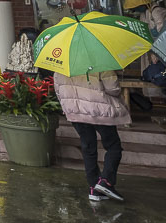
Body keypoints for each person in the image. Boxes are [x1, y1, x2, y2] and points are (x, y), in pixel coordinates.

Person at [54, 70, 130, 203]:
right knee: (113, 146)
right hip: (99, 109)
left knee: (88, 147)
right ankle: (106, 181)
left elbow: (58, 89)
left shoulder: (62, 64)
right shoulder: (100, 61)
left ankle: (94, 187)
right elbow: (113, 88)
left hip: (75, 111)